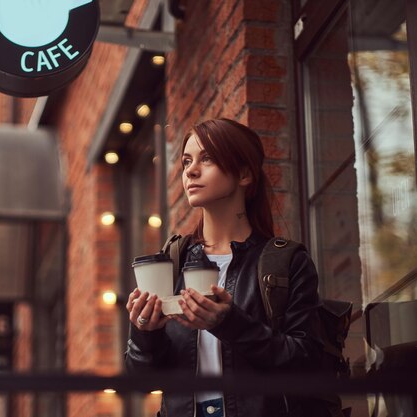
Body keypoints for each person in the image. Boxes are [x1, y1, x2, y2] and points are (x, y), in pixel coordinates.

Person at [124, 118, 323, 417]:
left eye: (207, 159)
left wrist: (230, 323)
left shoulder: (286, 263)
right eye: (187, 161)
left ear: (244, 173)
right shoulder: (173, 263)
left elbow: (307, 362)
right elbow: (141, 380)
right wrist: (144, 331)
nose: (191, 170)